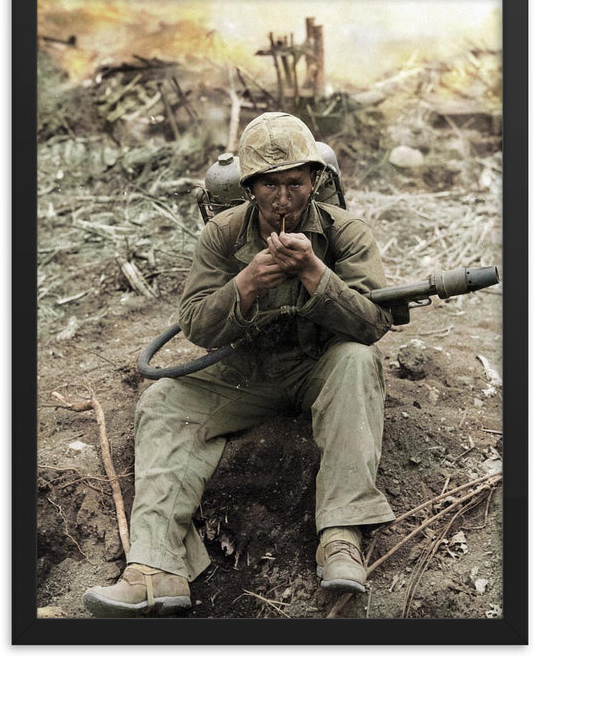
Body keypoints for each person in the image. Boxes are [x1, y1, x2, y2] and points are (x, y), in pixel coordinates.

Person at [83, 112, 395, 617]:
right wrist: (246, 283)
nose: (282, 198)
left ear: (315, 180)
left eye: (295, 182)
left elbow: (372, 323)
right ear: (249, 186)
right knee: (163, 402)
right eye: (268, 185)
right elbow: (196, 327)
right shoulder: (223, 235)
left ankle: (339, 538)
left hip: (321, 368)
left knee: (358, 361)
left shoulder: (345, 232)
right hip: (246, 373)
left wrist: (316, 274)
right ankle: (155, 569)